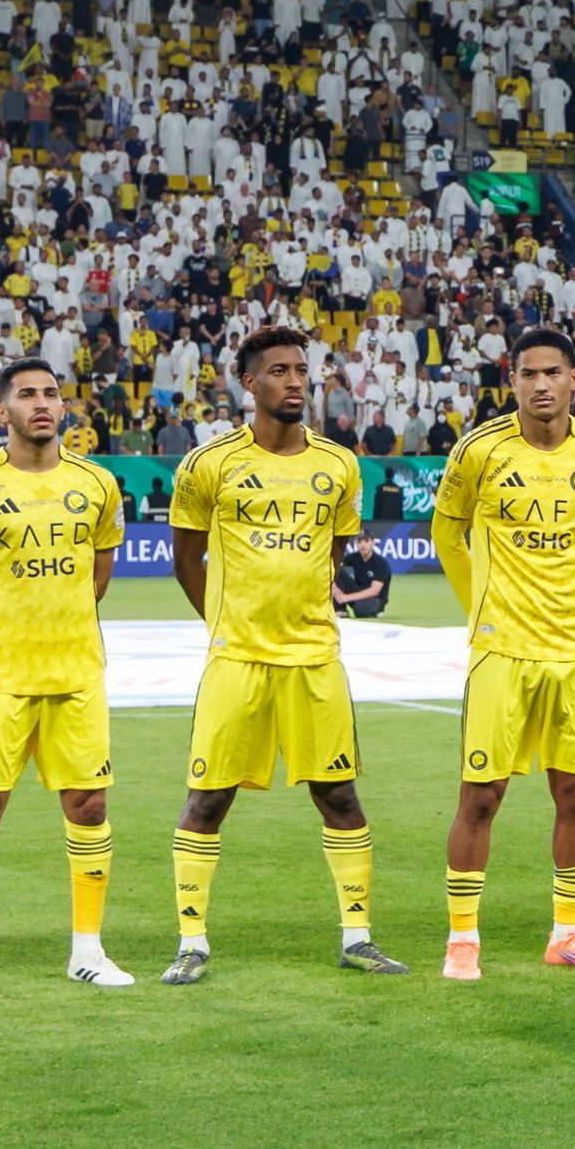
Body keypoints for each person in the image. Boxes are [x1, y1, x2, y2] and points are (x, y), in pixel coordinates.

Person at [164, 327, 398, 981]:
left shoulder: (338, 465)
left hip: (315, 657)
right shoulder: (209, 463)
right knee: (206, 799)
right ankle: (191, 942)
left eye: (302, 369)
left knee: (340, 795)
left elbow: (336, 551)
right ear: (249, 382)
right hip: (236, 658)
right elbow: (187, 557)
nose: (294, 381)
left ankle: (358, 936)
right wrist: (223, 618)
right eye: (278, 371)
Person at [429, 329, 575, 979]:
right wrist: (479, 609)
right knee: (481, 795)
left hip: (573, 650)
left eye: (553, 372)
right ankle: (463, 938)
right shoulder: (480, 449)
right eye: (527, 373)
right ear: (510, 380)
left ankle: (568, 932)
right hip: (503, 650)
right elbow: (446, 531)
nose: (540, 384)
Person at [0, 354, 133, 992]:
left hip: (78, 671)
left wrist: (63, 627)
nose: (41, 404)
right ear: (2, 411)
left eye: (51, 394)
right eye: (27, 395)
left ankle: (88, 951)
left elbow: (98, 573)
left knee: (89, 802)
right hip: (2, 674)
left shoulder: (98, 484)